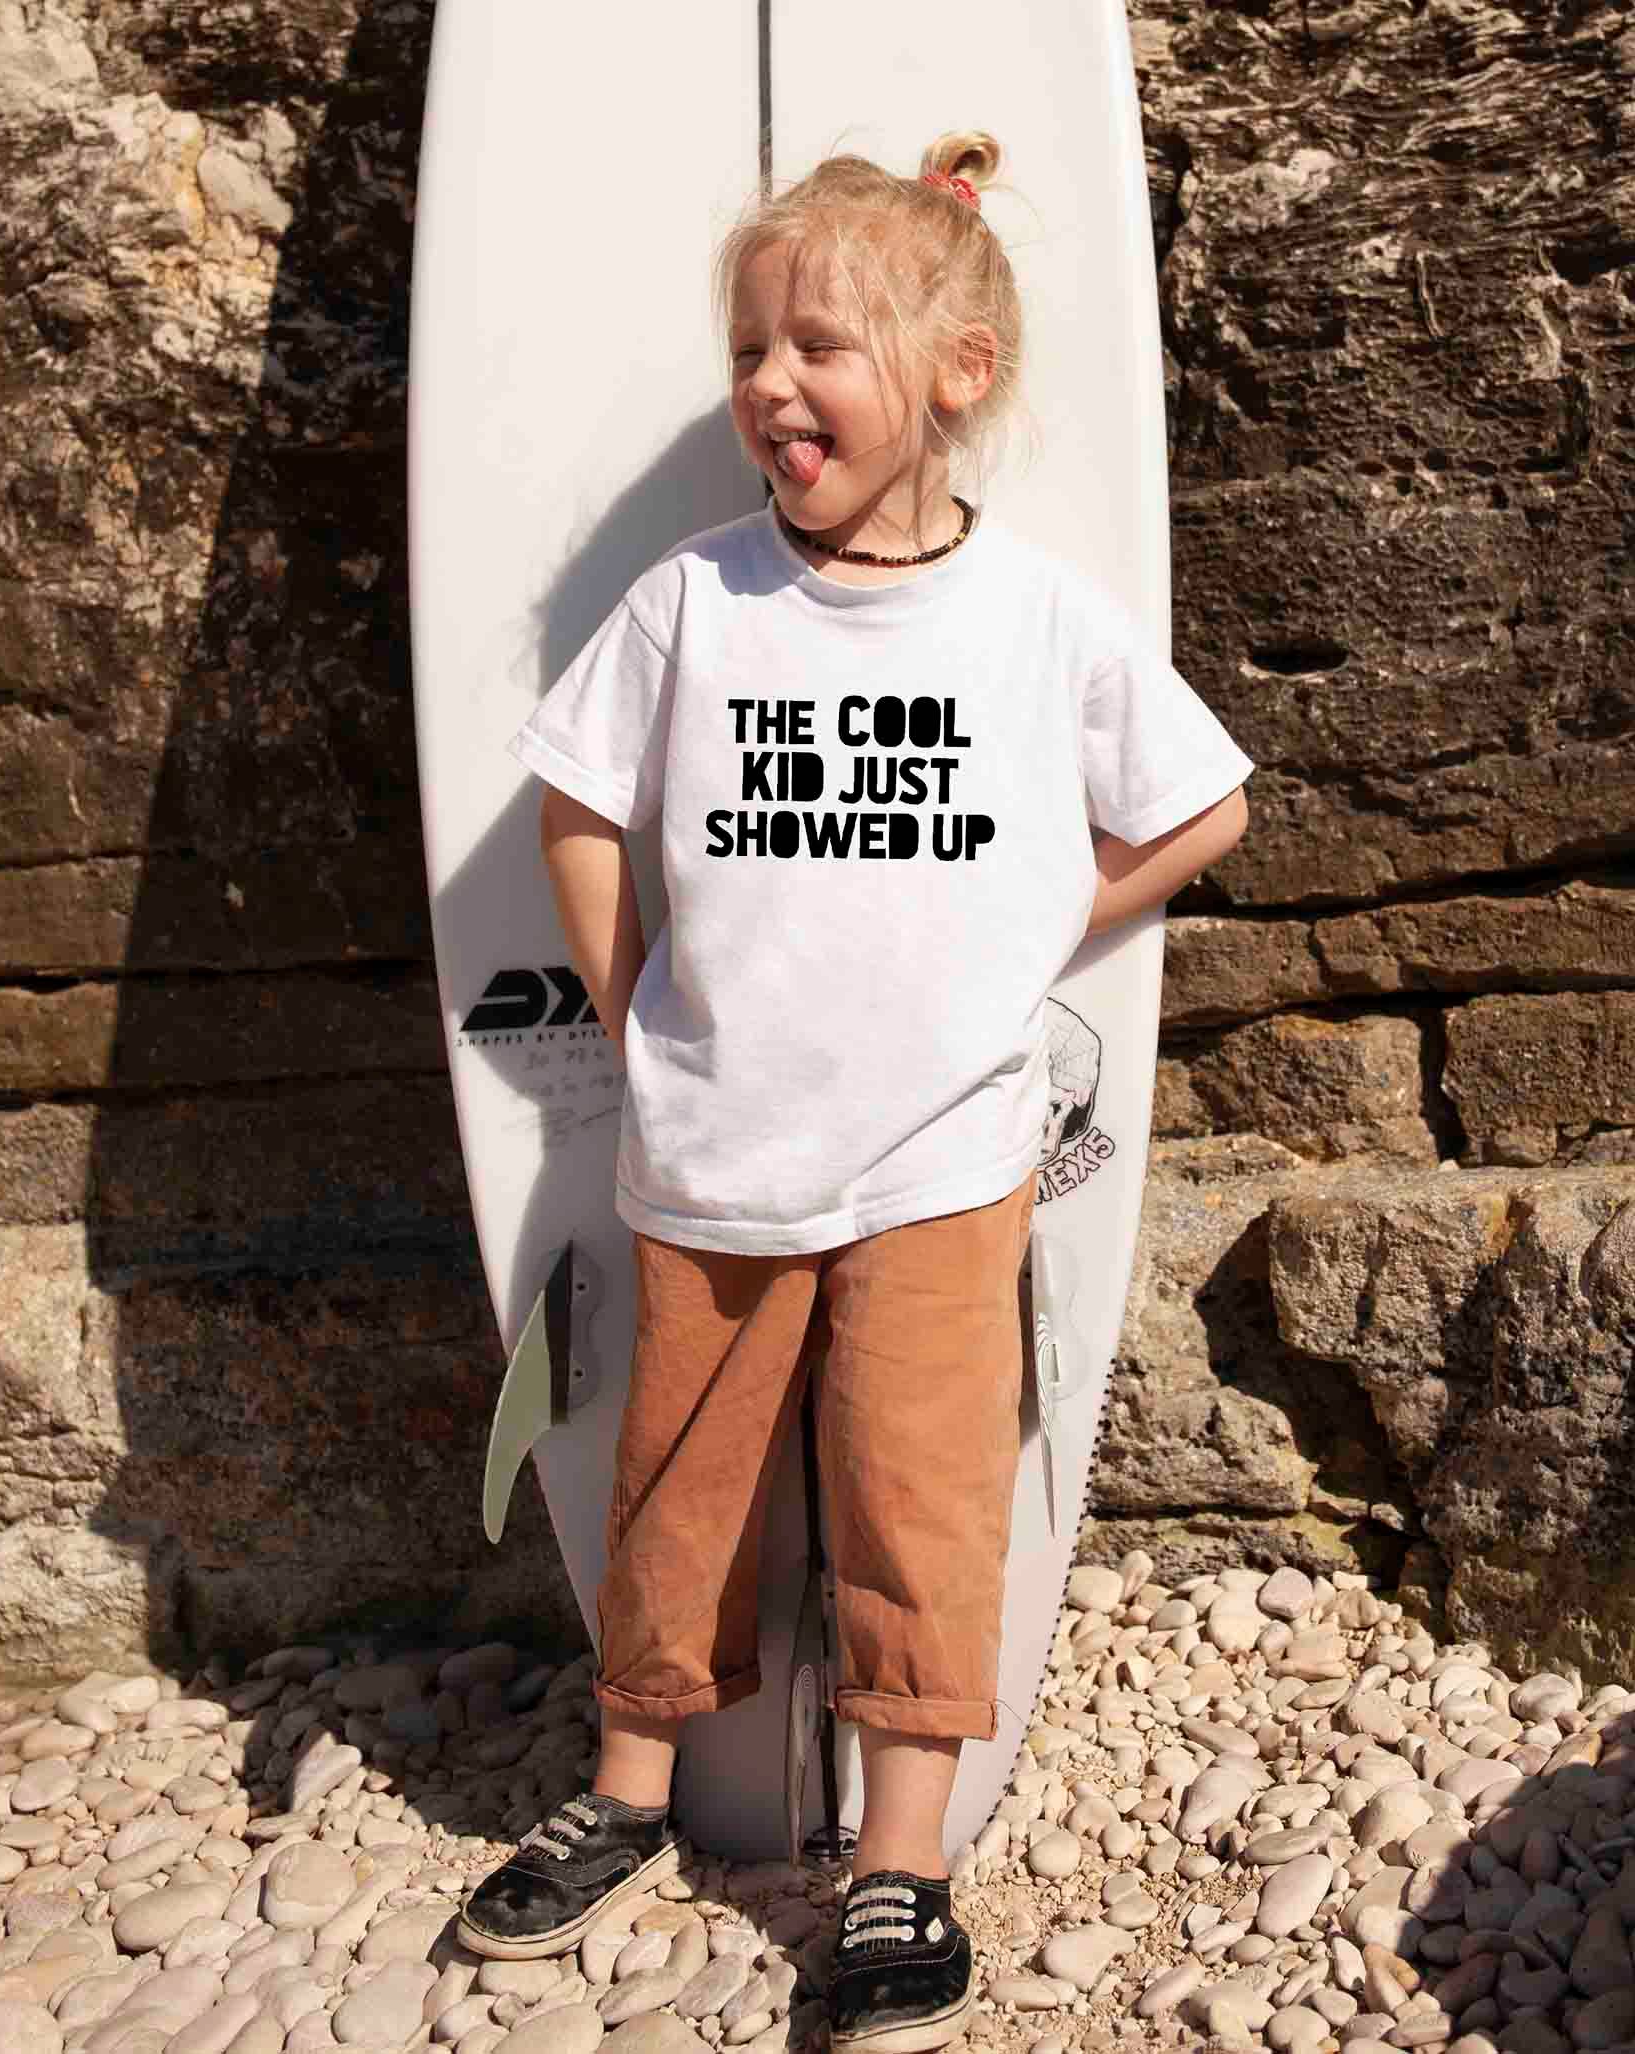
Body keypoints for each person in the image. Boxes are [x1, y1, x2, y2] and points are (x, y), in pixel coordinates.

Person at [457, 132, 1255, 2051]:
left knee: (918, 1497)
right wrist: (632, 1005)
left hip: (942, 1156)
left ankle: (902, 1857)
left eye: (817, 345)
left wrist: (1049, 920)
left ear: (956, 375)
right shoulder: (695, 601)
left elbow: (1206, 805)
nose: (770, 384)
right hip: (714, 1152)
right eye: (750, 349)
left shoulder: (1035, 617)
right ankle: (629, 1791)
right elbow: (580, 802)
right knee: (678, 1484)